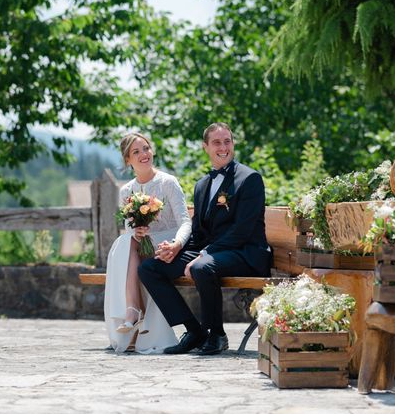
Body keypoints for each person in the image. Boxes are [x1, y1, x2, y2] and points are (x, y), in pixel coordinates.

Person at [138, 122, 273, 355]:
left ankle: (217, 335)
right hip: (214, 251)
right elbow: (199, 232)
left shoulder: (249, 179)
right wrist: (176, 249)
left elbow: (242, 230)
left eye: (227, 141)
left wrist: (203, 254)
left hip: (246, 252)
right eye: (217, 142)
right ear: (206, 147)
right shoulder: (202, 185)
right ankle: (195, 331)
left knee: (201, 267)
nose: (223, 147)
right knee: (150, 268)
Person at [104, 132, 192, 353]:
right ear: (128, 160)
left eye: (146, 148)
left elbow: (185, 221)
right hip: (142, 246)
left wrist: (176, 244)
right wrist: (138, 231)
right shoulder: (127, 191)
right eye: (136, 151)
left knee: (125, 246)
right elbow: (128, 228)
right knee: (126, 242)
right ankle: (133, 311)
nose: (144, 154)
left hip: (169, 243)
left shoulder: (167, 182)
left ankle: (132, 312)